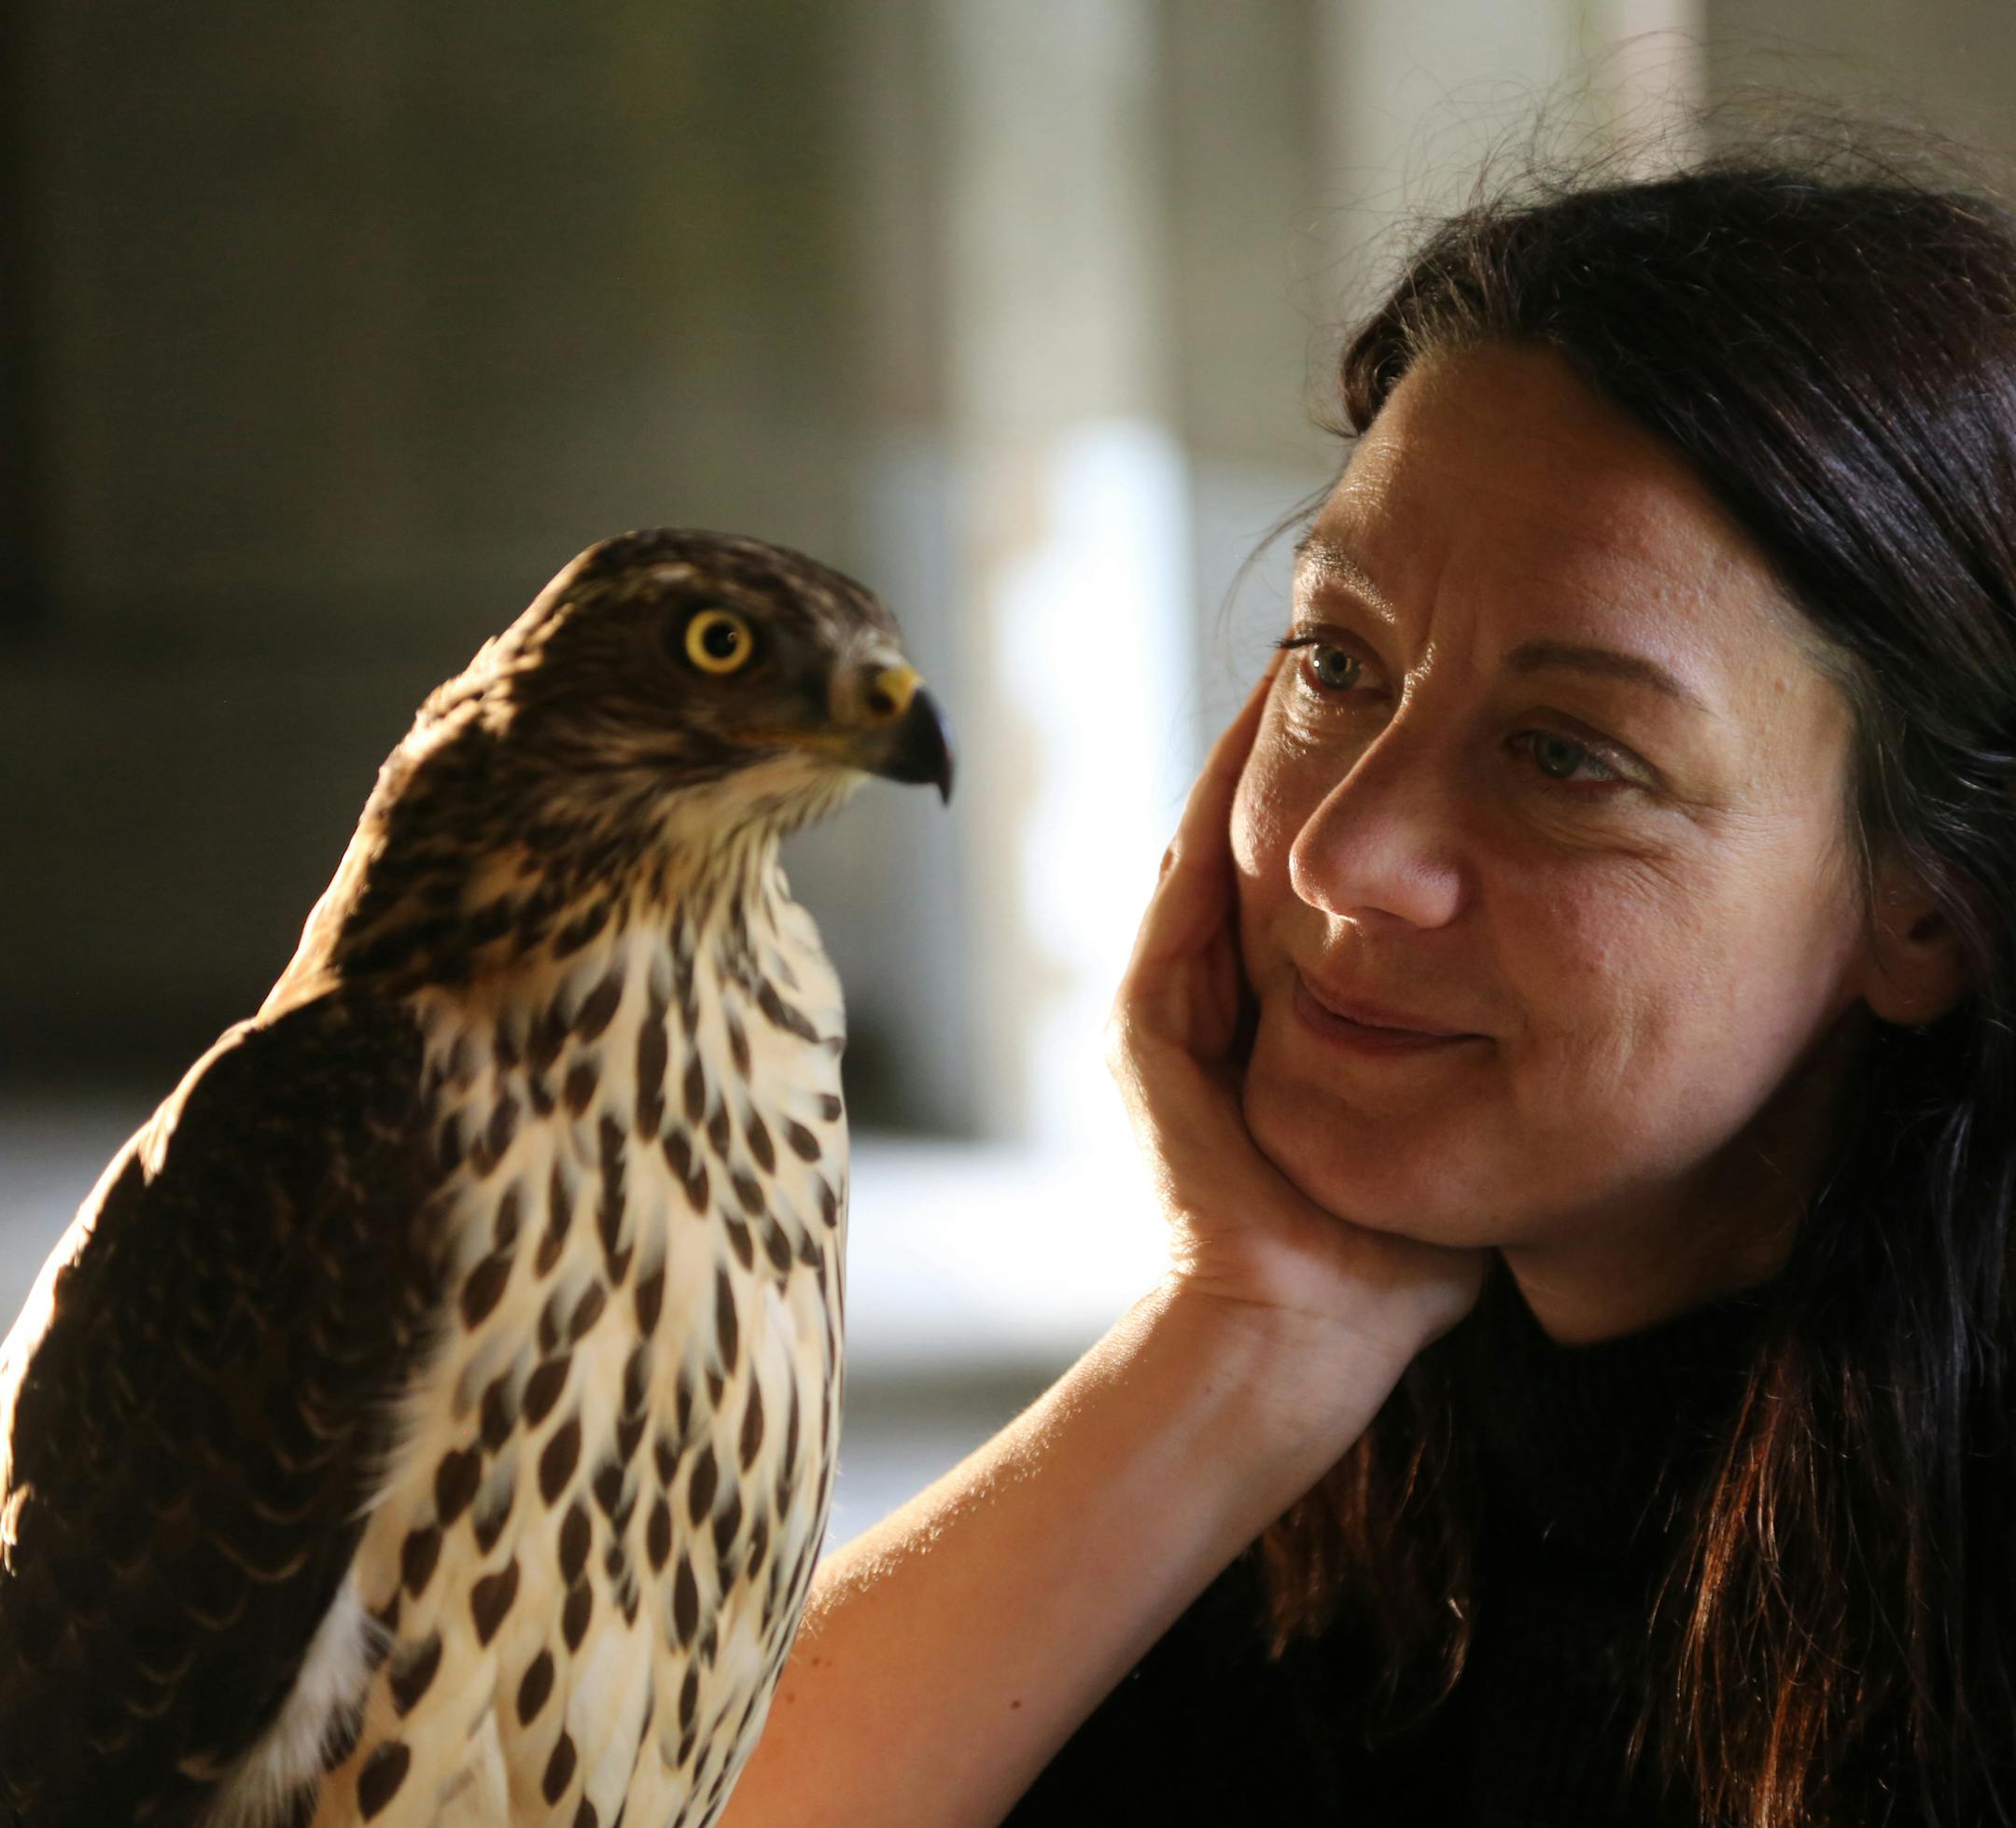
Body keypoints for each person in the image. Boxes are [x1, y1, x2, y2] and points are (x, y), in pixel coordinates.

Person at [721, 141, 2016, 1827]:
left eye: (1567, 757)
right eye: (1338, 663)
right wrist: (1243, 1338)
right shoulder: (1341, 1449)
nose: (1343, 853)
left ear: (1924, 914)